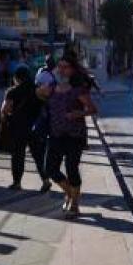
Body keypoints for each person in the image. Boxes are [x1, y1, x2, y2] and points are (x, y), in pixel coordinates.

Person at [38, 55, 97, 215]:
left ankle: (75, 204)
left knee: (72, 168)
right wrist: (40, 91)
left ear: (72, 70)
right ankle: (70, 193)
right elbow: (39, 98)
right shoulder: (51, 89)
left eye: (65, 67)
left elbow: (93, 109)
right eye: (60, 66)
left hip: (74, 135)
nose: (61, 70)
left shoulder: (78, 90)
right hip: (55, 133)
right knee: (49, 169)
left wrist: (79, 113)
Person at [0, 64, 49, 191]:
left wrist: (7, 116)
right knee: (38, 155)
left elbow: (5, 109)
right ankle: (45, 180)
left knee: (18, 155)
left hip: (19, 127)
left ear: (17, 78)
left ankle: (17, 183)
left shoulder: (12, 91)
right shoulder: (38, 89)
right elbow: (46, 104)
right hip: (35, 127)